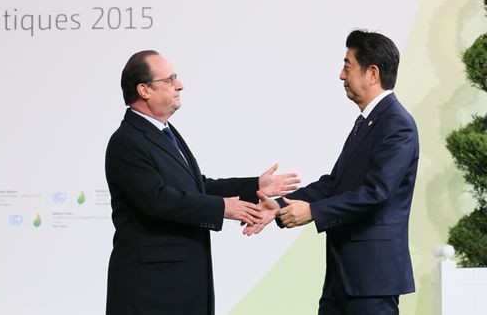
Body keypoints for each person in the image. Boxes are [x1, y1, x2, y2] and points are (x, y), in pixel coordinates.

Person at [105, 50, 299, 315]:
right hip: (152, 291)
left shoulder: (165, 132)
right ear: (144, 90)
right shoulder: (127, 141)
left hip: (181, 287)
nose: (180, 85)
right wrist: (221, 208)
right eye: (170, 79)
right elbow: (158, 200)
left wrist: (254, 187)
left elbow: (196, 187)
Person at [249, 30, 419, 314]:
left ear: (372, 73)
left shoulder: (396, 124)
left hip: (371, 280)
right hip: (342, 276)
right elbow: (334, 183)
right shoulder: (367, 122)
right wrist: (277, 207)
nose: (341, 75)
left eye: (347, 66)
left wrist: (313, 212)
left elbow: (376, 193)